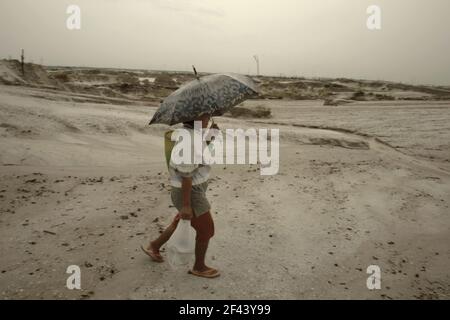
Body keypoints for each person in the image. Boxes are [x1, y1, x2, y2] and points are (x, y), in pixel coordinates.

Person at [142, 113, 220, 278]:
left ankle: (154, 246)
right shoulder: (189, 140)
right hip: (191, 192)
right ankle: (199, 267)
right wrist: (186, 205)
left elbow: (198, 157)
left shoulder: (192, 134)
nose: (209, 120)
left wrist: (211, 137)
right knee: (206, 230)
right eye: (207, 117)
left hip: (192, 190)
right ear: (196, 119)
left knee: (181, 221)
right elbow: (186, 174)